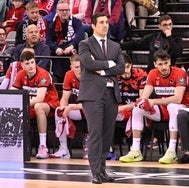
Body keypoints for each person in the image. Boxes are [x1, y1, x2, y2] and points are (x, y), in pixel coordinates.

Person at [119, 50, 189, 164]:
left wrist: (154, 101)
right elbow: (144, 96)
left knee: (172, 106)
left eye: (166, 63)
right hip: (163, 109)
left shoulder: (179, 73)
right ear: (155, 64)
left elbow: (178, 98)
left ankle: (172, 151)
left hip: (182, 109)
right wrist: (143, 101)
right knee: (139, 107)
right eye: (160, 64)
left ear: (170, 62)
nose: (163, 67)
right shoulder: (153, 73)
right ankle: (135, 150)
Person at [78, 12, 124, 184]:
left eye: (107, 22)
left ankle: (103, 170)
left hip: (111, 94)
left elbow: (120, 67)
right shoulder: (85, 44)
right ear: (93, 25)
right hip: (92, 94)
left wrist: (103, 69)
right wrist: (108, 63)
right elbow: (88, 64)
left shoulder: (115, 46)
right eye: (102, 22)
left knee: (107, 134)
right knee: (95, 133)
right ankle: (95, 172)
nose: (105, 25)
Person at [11, 50, 60, 159]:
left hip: (50, 104)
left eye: (32, 62)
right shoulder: (21, 75)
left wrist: (21, 103)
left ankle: (43, 146)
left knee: (38, 106)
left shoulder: (43, 74)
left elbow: (40, 98)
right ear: (22, 65)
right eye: (27, 64)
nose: (30, 66)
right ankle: (13, 145)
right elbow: (12, 92)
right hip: (29, 106)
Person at [108, 53, 147, 160]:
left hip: (136, 108)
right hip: (120, 109)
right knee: (107, 114)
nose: (125, 70)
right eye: (121, 67)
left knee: (137, 111)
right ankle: (109, 150)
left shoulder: (141, 75)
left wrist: (124, 107)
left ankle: (134, 149)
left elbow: (142, 101)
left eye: (127, 67)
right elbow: (109, 96)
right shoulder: (113, 76)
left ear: (131, 65)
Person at [50, 54, 88, 160]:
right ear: (71, 67)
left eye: (81, 66)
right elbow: (64, 97)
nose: (79, 69)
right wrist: (63, 107)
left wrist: (70, 108)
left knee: (90, 109)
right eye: (76, 67)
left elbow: (90, 103)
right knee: (59, 110)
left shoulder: (90, 75)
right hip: (77, 108)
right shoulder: (69, 75)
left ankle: (90, 147)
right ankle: (63, 148)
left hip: (92, 108)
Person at [46, 0, 85, 82]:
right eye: (62, 10)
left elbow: (80, 35)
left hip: (73, 50)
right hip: (58, 52)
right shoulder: (52, 25)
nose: (64, 12)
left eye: (67, 10)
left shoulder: (76, 22)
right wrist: (56, 48)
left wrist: (71, 46)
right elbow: (48, 40)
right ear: (57, 11)